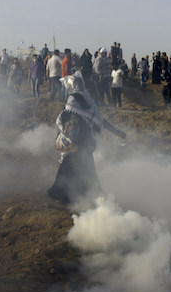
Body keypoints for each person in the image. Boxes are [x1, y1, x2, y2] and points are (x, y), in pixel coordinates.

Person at [48, 72, 126, 205]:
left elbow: (66, 119)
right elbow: (99, 120)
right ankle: (92, 196)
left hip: (77, 141)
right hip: (86, 141)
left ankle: (64, 196)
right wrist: (117, 132)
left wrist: (62, 135)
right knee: (86, 169)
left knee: (69, 168)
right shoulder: (88, 99)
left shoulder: (73, 99)